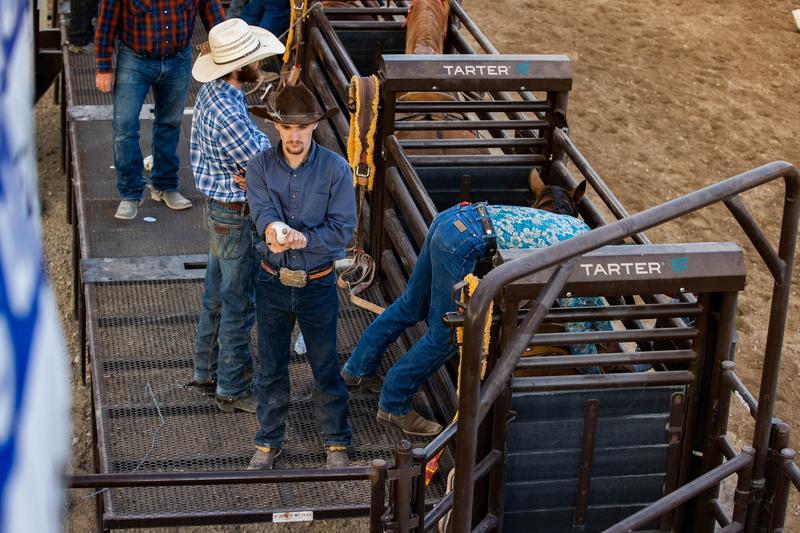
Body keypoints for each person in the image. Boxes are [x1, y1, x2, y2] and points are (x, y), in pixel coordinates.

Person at [341, 202, 613, 437]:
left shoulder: (579, 230)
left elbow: (597, 308)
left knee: (410, 305)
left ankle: (357, 369)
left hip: (453, 219)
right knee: (449, 333)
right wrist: (596, 377)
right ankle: (394, 403)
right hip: (465, 241)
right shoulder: (580, 262)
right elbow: (577, 331)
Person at [245, 79, 356, 469]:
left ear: (314, 127)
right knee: (271, 362)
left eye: (302, 127)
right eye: (287, 127)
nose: (294, 136)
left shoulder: (336, 169)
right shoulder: (259, 167)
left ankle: (336, 440)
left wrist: (299, 239)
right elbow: (260, 213)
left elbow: (343, 230)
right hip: (271, 279)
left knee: (325, 363)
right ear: (276, 126)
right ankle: (268, 439)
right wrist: (274, 230)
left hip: (318, 281)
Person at [187, 19, 284, 412]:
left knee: (217, 293)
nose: (259, 65)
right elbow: (262, 160)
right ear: (240, 67)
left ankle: (205, 371)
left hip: (218, 211)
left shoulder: (214, 93)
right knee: (239, 301)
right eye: (254, 59)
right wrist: (258, 165)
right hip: (234, 214)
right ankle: (233, 387)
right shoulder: (229, 110)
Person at [94, 0, 224, 220]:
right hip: (135, 59)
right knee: (124, 125)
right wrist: (103, 66)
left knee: (170, 123)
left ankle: (165, 186)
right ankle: (130, 193)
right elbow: (106, 21)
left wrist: (229, 53)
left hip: (178, 59)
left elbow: (214, 15)